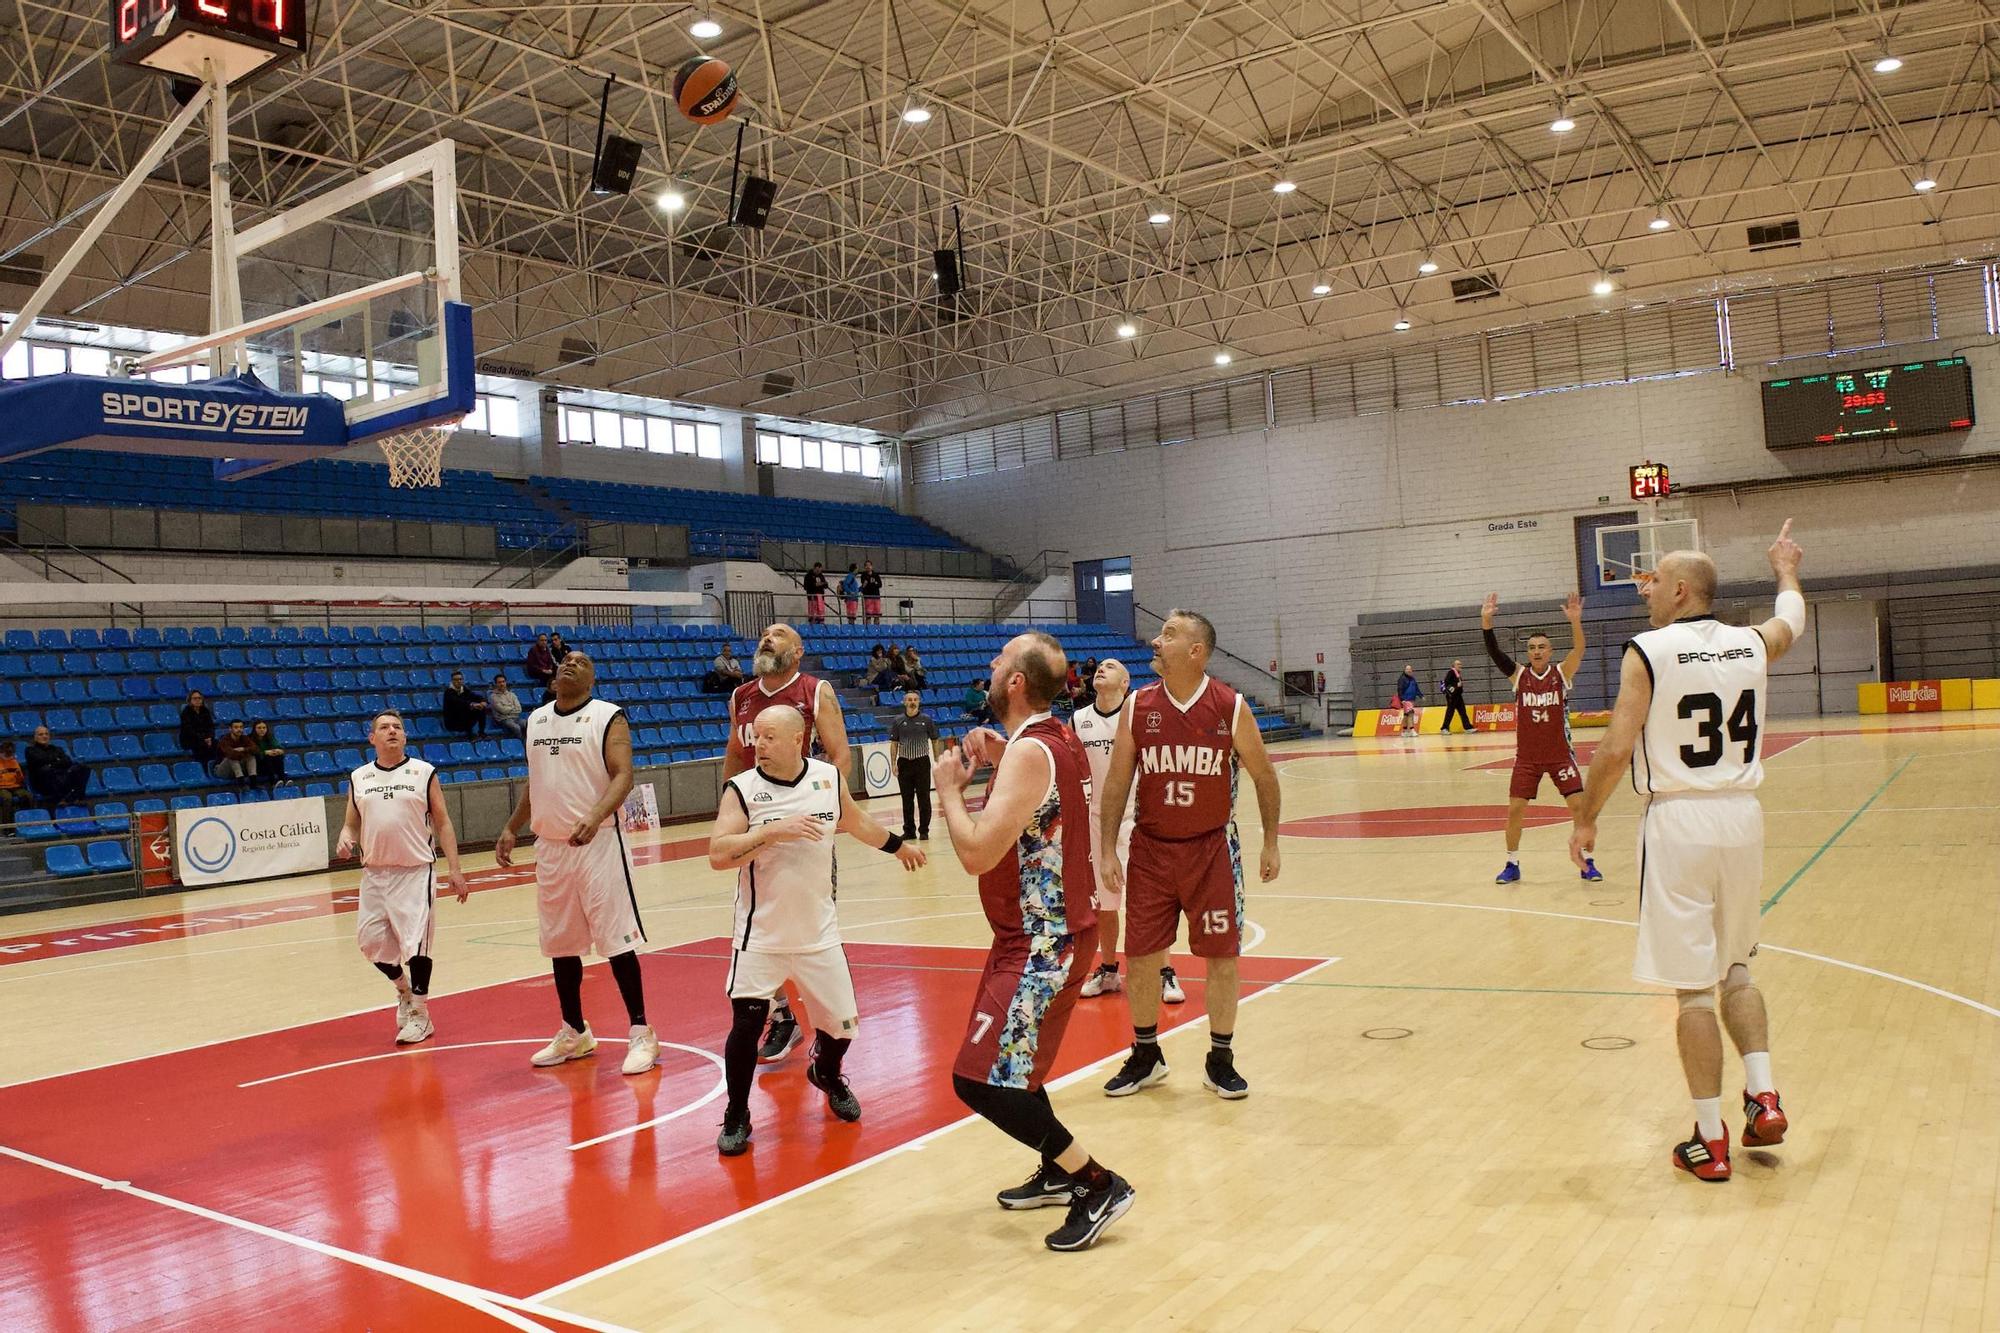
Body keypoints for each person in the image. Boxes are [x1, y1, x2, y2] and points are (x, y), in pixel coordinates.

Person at [1568, 522, 1804, 1182]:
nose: (1645, 593)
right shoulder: (1752, 642)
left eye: (1653, 583)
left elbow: (1616, 749)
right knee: (1737, 969)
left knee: (1693, 991)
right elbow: (1793, 619)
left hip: (1679, 820)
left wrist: (1585, 818)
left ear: (1679, 590)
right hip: (1742, 818)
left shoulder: (1649, 650)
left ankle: (1709, 1137)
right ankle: (1763, 1094)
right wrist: (1785, 567)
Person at [934, 631, 1134, 1253]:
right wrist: (1001, 754)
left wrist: (948, 789)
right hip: (1046, 935)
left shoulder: (1029, 754)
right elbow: (1039, 805)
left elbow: (976, 853)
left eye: (998, 662)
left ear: (1016, 683)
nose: (989, 666)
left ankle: (1095, 1181)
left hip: (1039, 944)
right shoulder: (1057, 739)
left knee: (979, 1080)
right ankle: (1056, 1172)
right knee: (1014, 1069)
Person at [707, 706, 926, 1155]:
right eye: (757, 738)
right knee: (746, 1027)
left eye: (769, 738)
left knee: (842, 1028)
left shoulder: (826, 779)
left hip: (817, 933)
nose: (759, 746)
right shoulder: (742, 789)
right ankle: (736, 1115)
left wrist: (897, 846)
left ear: (796, 739)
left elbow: (856, 822)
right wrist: (772, 831)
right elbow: (718, 852)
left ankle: (825, 1073)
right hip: (760, 935)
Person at [1097, 609, 1281, 1100]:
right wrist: (1106, 849)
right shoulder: (1139, 705)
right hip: (1152, 852)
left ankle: (1220, 1058)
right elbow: (1117, 781)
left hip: (1212, 850)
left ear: (1196, 652)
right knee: (1139, 957)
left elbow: (1264, 775)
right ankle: (1146, 1054)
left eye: (1169, 635)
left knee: (1222, 958)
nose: (1157, 641)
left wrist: (1272, 840)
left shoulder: (1229, 705)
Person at [494, 651, 659, 1076]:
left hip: (599, 842)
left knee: (616, 940)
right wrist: (513, 826)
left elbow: (623, 774)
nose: (570, 663)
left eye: (581, 662)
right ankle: (574, 1031)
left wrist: (596, 814)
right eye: (566, 659)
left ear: (592, 679)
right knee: (561, 944)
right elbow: (537, 781)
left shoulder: (608, 716)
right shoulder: (535, 720)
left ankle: (642, 1032)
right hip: (550, 846)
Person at [722, 622, 853, 1064]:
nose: (766, 638)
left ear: (797, 651)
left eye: (777, 634)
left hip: (805, 830)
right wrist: (730, 812)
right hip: (758, 829)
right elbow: (732, 756)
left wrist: (826, 811)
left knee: (806, 921)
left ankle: (826, 1020)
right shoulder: (741, 696)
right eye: (763, 633)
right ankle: (782, 1017)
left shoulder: (816, 691)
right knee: (757, 923)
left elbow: (840, 756)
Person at [334, 710, 469, 1045]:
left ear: (405, 737)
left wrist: (454, 869)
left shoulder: (423, 773)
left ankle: (422, 1016)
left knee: (416, 945)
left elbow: (444, 822)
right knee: (370, 944)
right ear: (372, 738)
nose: (391, 731)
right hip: (375, 874)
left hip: (415, 871)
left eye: (397, 727)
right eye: (384, 727)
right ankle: (404, 991)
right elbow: (352, 821)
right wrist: (346, 836)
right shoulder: (359, 777)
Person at [1482, 592, 1601, 884]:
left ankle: (1587, 863)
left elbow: (1580, 648)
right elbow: (1495, 653)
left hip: (1560, 755)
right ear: (1528, 653)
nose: (1536, 651)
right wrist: (1487, 622)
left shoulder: (1561, 673)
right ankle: (1512, 863)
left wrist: (1575, 621)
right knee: (1515, 810)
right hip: (1528, 759)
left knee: (1579, 809)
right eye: (1532, 647)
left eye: (1541, 647)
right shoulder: (1519, 676)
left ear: (1550, 651)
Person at [1074, 660, 1135, 998]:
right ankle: (1109, 970)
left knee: (1144, 902)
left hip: (1133, 818)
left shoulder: (1135, 716)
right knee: (1105, 904)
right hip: (1095, 820)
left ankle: (1164, 971)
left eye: (1110, 667)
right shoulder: (1078, 720)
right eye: (1099, 667)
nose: (1101, 669)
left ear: (1124, 682)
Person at [887, 690, 941, 840]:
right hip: (904, 763)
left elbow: (935, 740)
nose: (912, 702)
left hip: (922, 762)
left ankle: (924, 830)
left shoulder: (927, 720)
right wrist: (893, 763)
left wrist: (936, 759)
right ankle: (909, 831)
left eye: (915, 699)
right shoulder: (898, 721)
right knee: (907, 799)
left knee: (924, 798)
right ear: (904, 702)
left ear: (919, 702)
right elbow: (894, 743)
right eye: (909, 699)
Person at [24, 725, 90, 809]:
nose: (44, 736)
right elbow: (39, 760)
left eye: (46, 734)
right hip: (43, 783)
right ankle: (59, 799)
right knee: (46, 770)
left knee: (83, 768)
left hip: (61, 778)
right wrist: (57, 761)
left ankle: (76, 797)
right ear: (35, 737)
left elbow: (67, 761)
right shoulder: (30, 750)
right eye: (41, 734)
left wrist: (51, 763)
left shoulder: (57, 749)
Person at [441, 670, 488, 737]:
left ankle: (481, 733)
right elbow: (458, 702)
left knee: (481, 709)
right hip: (453, 722)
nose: (459, 681)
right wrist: (472, 704)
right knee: (465, 709)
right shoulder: (448, 692)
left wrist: (483, 701)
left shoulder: (464, 689)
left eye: (460, 679)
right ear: (452, 681)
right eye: (456, 680)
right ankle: (470, 736)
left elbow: (474, 696)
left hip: (463, 719)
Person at [214, 719, 259, 787]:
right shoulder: (224, 740)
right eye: (236, 727)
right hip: (223, 771)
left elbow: (256, 749)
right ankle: (241, 784)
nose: (239, 729)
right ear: (230, 729)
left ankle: (253, 782)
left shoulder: (244, 738)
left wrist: (243, 749)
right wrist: (246, 752)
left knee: (251, 757)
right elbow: (231, 754)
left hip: (238, 768)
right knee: (232, 758)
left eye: (241, 727)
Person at [178, 690, 218, 764]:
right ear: (190, 700)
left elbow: (210, 726)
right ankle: (204, 768)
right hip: (190, 739)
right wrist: (203, 738)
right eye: (195, 698)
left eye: (199, 698)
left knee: (216, 744)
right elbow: (189, 730)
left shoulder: (205, 710)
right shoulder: (186, 712)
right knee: (202, 746)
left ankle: (215, 766)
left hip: (205, 737)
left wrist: (209, 737)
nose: (197, 700)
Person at [487, 675, 525, 740]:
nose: (502, 684)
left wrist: (508, 708)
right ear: (496, 684)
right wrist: (512, 707)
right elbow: (502, 710)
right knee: (516, 727)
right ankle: (521, 742)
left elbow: (519, 709)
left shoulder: (512, 695)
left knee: (527, 724)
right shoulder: (493, 697)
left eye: (503, 682)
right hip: (503, 720)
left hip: (515, 718)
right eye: (499, 682)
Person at [1440, 660, 1472, 734]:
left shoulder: (1457, 674)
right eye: (1458, 664)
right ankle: (1444, 728)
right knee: (1450, 712)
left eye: (1460, 664)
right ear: (1454, 666)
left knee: (1463, 712)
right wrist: (1456, 686)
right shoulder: (1451, 672)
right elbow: (1446, 682)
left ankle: (1467, 727)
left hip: (1458, 696)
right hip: (1452, 696)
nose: (1460, 665)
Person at [250, 719, 286, 786]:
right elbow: (252, 753)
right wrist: (265, 753)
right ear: (254, 729)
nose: (262, 730)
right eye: (259, 728)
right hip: (257, 767)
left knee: (278, 757)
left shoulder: (270, 737)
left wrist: (279, 751)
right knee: (267, 757)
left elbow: (277, 746)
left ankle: (282, 780)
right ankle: (273, 782)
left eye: (264, 728)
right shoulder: (249, 739)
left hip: (270, 765)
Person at [524, 632, 557, 699]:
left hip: (547, 671)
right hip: (536, 671)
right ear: (538, 641)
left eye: (545, 640)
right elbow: (531, 665)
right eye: (542, 640)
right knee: (546, 676)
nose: (544, 642)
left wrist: (550, 669)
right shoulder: (533, 650)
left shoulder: (547, 649)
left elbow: (550, 662)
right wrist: (543, 670)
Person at [0, 741, 24, 834]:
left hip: (15, 786)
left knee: (27, 796)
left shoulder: (14, 761)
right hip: (2, 787)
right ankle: (8, 829)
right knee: (7, 798)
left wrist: (18, 773)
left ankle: (25, 823)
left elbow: (20, 779)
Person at [1393, 665, 1423, 735]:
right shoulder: (1402, 679)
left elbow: (1416, 688)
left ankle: (1405, 730)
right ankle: (1412, 730)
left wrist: (1421, 696)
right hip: (1406, 699)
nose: (1409, 671)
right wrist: (1402, 699)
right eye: (1407, 669)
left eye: (1410, 669)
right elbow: (1399, 689)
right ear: (1404, 670)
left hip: (1412, 699)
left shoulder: (1412, 679)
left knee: (1406, 715)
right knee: (1411, 713)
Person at [860, 560, 884, 625]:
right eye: (866, 565)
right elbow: (864, 585)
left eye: (869, 565)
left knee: (877, 615)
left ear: (872, 566)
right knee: (868, 615)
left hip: (876, 596)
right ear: (864, 567)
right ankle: (868, 630)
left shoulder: (876, 575)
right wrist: (872, 583)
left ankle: (876, 630)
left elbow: (880, 585)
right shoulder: (863, 575)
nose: (868, 567)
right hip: (868, 597)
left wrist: (873, 583)